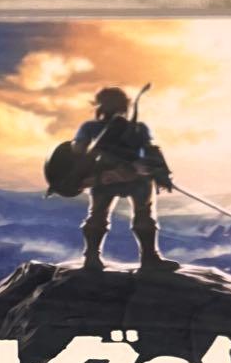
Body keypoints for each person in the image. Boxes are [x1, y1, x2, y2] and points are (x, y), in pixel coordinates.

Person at [71, 86, 178, 272]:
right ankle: (148, 259)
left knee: (101, 215)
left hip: (114, 178)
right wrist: (161, 172)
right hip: (115, 178)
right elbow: (151, 150)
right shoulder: (134, 128)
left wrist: (160, 172)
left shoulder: (91, 127)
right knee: (137, 214)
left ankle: (93, 258)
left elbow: (78, 151)